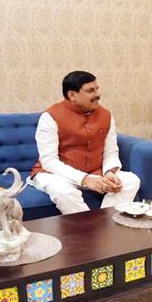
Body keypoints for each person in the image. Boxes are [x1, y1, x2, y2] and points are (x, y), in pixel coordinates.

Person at [29, 71, 140, 214]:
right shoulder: (50, 117)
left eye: (97, 89)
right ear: (72, 95)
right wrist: (85, 179)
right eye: (90, 91)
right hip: (56, 175)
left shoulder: (106, 115)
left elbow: (111, 151)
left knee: (131, 180)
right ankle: (91, 227)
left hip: (95, 173)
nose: (98, 94)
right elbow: (49, 161)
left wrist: (109, 173)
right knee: (62, 191)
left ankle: (106, 223)